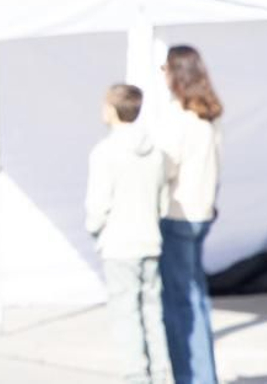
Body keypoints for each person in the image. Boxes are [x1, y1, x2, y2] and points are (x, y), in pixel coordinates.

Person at [86, 84, 172, 384]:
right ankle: (161, 373)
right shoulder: (157, 152)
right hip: (150, 240)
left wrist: (94, 228)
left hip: (120, 244)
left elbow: (98, 204)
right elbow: (163, 201)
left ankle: (136, 375)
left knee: (126, 313)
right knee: (152, 311)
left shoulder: (105, 152)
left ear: (112, 109)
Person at [157, 45, 223, 384]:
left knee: (180, 305)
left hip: (178, 214)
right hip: (201, 212)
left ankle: (191, 376)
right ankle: (202, 374)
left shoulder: (180, 120)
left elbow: (164, 168)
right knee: (195, 299)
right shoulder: (208, 117)